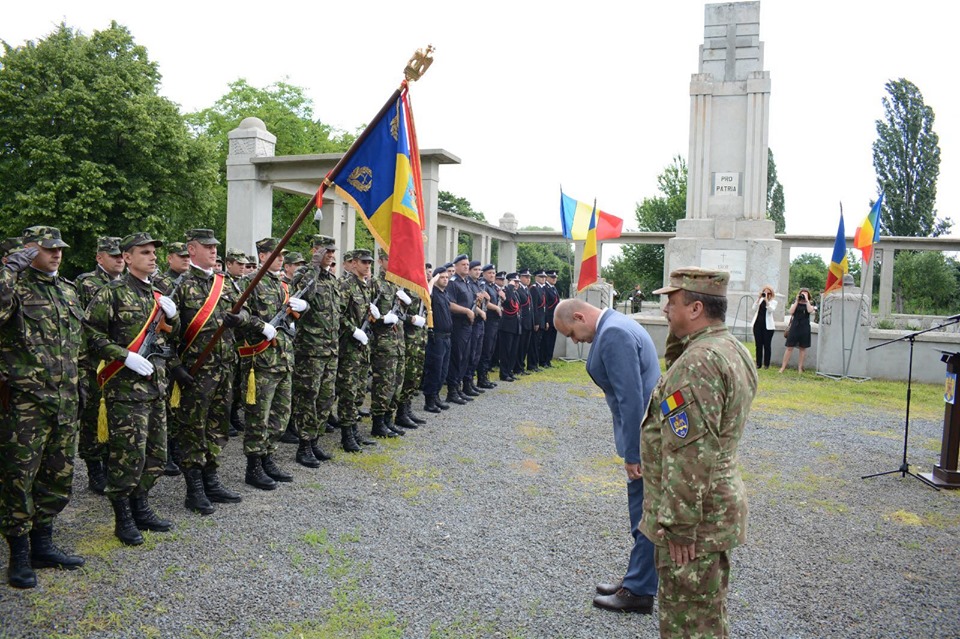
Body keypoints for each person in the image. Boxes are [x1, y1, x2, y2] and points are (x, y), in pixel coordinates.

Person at [642, 267, 758, 638]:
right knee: (706, 615)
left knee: (688, 623)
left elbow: (690, 456)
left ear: (694, 309)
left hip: (696, 522)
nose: (665, 310)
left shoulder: (698, 363)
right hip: (713, 508)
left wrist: (679, 528)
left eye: (671, 302)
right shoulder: (730, 347)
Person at [553, 298, 660, 614]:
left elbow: (632, 399)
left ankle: (638, 590)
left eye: (572, 332)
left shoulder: (613, 333)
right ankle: (637, 579)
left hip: (645, 440)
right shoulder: (618, 324)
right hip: (648, 435)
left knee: (644, 513)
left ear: (579, 316)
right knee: (643, 511)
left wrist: (633, 452)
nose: (575, 341)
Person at [0, 227, 85, 589]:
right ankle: (18, 555)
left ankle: (43, 545)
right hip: (25, 404)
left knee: (58, 476)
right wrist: (9, 267)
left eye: (59, 249)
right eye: (48, 249)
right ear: (28, 251)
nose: (56, 254)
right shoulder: (15, 288)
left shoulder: (67, 290)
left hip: (64, 401)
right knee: (19, 479)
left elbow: (76, 343)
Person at [84, 232, 179, 546]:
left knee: (156, 454)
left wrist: (173, 318)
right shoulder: (110, 294)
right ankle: (123, 517)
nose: (152, 257)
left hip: (155, 386)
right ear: (126, 257)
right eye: (145, 252)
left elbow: (167, 337)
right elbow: (91, 336)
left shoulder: (157, 293)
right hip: (125, 390)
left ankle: (141, 506)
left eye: (154, 252)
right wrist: (124, 356)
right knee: (128, 455)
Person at [168, 229, 249, 514]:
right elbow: (164, 333)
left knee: (217, 426)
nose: (214, 251)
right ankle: (194, 488)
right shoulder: (179, 287)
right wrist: (175, 367)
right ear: (191, 250)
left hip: (225, 367)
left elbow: (248, 313)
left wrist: (240, 318)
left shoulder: (225, 284)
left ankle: (211, 478)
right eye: (207, 246)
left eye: (215, 246)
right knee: (193, 429)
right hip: (197, 371)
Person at [239, 237, 302, 489]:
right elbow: (239, 313)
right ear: (262, 256)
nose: (280, 259)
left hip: (284, 359)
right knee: (258, 416)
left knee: (281, 414)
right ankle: (253, 467)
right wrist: (260, 326)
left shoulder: (282, 284)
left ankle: (268, 457)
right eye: (275, 255)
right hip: (261, 361)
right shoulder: (249, 282)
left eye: (282, 255)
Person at [74, 236, 125, 494]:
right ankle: (95, 469)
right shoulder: (86, 283)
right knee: (94, 416)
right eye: (113, 255)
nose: (119, 259)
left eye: (120, 255)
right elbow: (83, 326)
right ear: (99, 257)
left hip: (123, 363)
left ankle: (110, 463)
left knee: (116, 418)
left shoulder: (129, 284)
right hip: (96, 362)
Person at [288, 235, 340, 466]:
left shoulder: (331, 279)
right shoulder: (304, 274)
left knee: (326, 398)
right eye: (325, 251)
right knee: (307, 397)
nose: (330, 255)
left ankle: (315, 440)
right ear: (315, 250)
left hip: (330, 348)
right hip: (310, 349)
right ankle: (304, 445)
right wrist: (314, 266)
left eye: (331, 252)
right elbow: (304, 295)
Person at [422, 266, 453, 413]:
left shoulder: (445, 294)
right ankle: (429, 400)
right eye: (442, 277)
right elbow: (426, 294)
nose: (445, 280)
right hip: (437, 337)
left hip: (447, 336)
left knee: (443, 370)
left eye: (447, 277)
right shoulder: (432, 293)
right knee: (434, 369)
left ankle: (436, 397)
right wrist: (432, 280)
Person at [780, 287, 816, 374]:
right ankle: (783, 367)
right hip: (795, 326)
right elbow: (791, 311)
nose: (803, 295)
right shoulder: (796, 303)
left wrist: (806, 300)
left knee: (802, 348)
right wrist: (797, 300)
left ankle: (800, 368)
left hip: (804, 327)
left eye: (805, 294)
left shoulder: (810, 303)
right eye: (802, 294)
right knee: (789, 347)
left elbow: (810, 311)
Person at [751, 285, 777, 369]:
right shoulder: (760, 300)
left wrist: (766, 301)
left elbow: (771, 310)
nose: (766, 294)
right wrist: (759, 299)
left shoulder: (773, 302)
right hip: (757, 324)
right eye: (764, 292)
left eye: (767, 292)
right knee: (758, 345)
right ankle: (758, 363)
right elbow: (753, 308)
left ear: (770, 293)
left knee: (767, 345)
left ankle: (766, 364)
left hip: (768, 327)